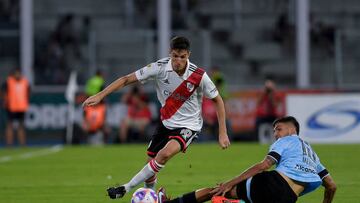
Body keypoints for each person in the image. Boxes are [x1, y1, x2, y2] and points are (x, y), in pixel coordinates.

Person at [83, 36, 230, 199]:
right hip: (166, 122)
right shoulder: (159, 68)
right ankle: (152, 197)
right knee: (150, 170)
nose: (178, 61)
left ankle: (126, 187)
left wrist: (222, 132)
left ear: (188, 55)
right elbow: (125, 80)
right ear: (170, 53)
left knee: (164, 154)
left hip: (189, 126)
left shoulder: (199, 76)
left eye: (182, 57)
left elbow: (218, 100)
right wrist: (100, 95)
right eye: (175, 56)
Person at [159, 116, 336, 203]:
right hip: (288, 198)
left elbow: (263, 166)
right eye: (275, 131)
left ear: (291, 130)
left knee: (217, 191)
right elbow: (331, 186)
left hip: (272, 184)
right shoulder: (313, 155)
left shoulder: (286, 141)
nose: (275, 134)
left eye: (278, 129)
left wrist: (229, 183)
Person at [2, 68, 30, 146]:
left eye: (19, 73)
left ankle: (22, 144)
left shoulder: (25, 82)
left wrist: (26, 102)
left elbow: (28, 92)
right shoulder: (9, 82)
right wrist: (4, 101)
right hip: (11, 107)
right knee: (9, 125)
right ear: (13, 74)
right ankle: (9, 144)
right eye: (16, 73)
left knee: (21, 125)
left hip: (21, 107)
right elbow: (3, 92)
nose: (18, 75)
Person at [255, 77, 279, 142]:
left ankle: (273, 143)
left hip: (272, 115)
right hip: (263, 116)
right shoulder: (262, 93)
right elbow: (258, 103)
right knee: (262, 130)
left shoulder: (275, 94)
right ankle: (262, 142)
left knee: (273, 131)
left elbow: (275, 105)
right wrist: (264, 93)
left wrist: (271, 96)